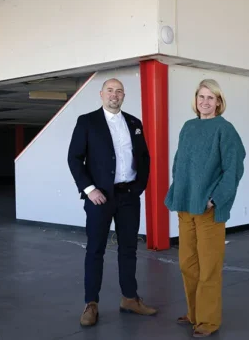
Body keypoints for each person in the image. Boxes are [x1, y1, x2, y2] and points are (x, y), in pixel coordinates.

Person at [67, 78, 157, 327]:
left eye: (118, 91)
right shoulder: (87, 122)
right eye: (110, 90)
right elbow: (74, 158)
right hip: (100, 198)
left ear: (123, 95)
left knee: (129, 249)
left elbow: (144, 158)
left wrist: (138, 188)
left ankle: (130, 298)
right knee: (95, 250)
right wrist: (89, 189)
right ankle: (91, 304)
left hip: (129, 196)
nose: (114, 95)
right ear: (101, 94)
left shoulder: (134, 123)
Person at [164, 79, 246, 338]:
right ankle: (194, 313)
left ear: (219, 102)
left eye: (211, 98)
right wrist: (178, 191)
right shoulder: (188, 127)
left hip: (208, 210)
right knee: (188, 265)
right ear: (196, 99)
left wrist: (215, 199)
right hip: (186, 207)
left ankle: (208, 321)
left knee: (209, 268)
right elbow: (179, 164)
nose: (205, 102)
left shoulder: (225, 129)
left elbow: (234, 169)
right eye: (201, 97)